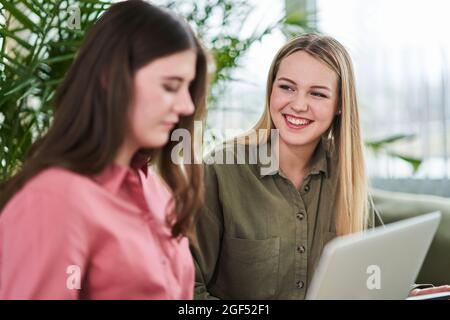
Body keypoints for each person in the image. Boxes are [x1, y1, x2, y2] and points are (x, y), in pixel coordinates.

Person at [191, 33, 450, 299]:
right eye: (287, 87)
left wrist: (408, 293)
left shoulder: (345, 174)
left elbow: (369, 275)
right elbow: (186, 291)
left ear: (339, 105)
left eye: (317, 93)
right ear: (271, 90)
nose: (298, 104)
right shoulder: (222, 169)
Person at [0, 0, 207, 299]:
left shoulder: (156, 191)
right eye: (170, 86)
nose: (187, 105)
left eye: (189, 88)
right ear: (110, 76)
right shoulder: (52, 200)